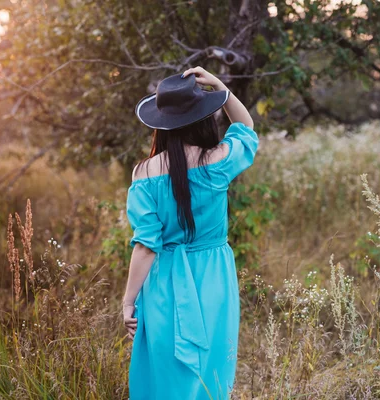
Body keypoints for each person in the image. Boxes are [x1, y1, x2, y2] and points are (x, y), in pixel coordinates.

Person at [122, 66, 258, 400]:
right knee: (211, 374)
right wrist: (220, 88)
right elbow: (246, 127)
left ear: (160, 124)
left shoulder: (144, 173)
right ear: (203, 118)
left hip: (165, 282)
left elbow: (146, 247)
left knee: (165, 377)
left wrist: (128, 301)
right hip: (214, 279)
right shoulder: (219, 161)